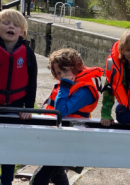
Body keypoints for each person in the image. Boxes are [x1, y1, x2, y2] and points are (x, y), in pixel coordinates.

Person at [30, 48, 104, 185]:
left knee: (38, 179)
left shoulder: (84, 90)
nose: (62, 76)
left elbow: (60, 111)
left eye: (65, 70)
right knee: (58, 175)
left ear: (77, 67)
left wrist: (64, 86)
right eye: (58, 73)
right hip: (56, 138)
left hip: (69, 141)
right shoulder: (67, 84)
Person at [0, 9, 37, 185]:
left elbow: (32, 83)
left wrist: (28, 109)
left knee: (9, 148)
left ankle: (7, 181)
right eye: (6, 23)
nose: (11, 26)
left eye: (16, 25)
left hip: (16, 106)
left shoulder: (27, 53)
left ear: (22, 32)